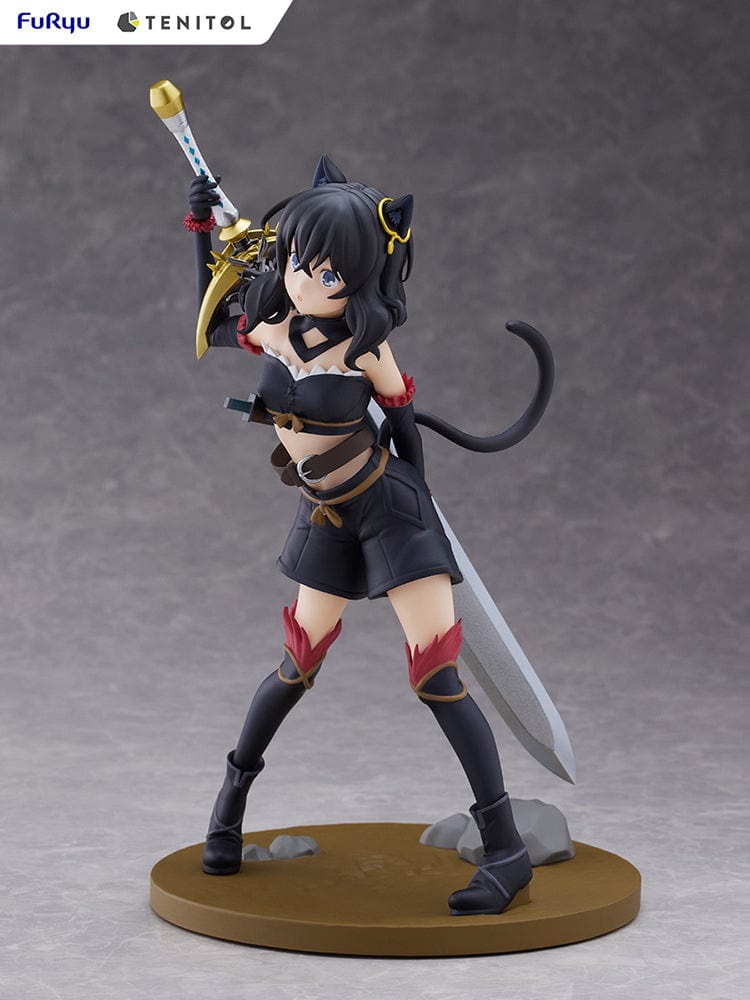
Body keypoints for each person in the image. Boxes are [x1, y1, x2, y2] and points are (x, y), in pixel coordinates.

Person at [183, 155, 534, 915]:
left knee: (435, 677)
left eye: (328, 273)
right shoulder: (271, 324)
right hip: (325, 515)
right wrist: (200, 224)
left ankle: (507, 852)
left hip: (390, 510)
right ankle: (227, 812)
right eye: (298, 261)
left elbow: (404, 428)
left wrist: (422, 508)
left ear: (364, 279)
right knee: (294, 667)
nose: (305, 281)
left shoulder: (365, 349)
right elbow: (209, 311)